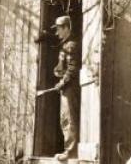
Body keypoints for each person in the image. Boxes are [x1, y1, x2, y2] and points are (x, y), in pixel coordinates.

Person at [52, 16, 80, 161]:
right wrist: (57, 70)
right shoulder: (65, 45)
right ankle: (68, 150)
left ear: (67, 28)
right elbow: (64, 67)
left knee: (70, 119)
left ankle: (71, 152)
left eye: (59, 29)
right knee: (65, 119)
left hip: (70, 88)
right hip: (66, 87)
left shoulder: (71, 45)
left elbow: (73, 69)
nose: (57, 33)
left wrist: (62, 83)